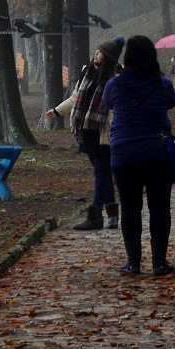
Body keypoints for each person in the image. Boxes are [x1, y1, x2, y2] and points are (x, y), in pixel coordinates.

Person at [103, 35, 175, 276]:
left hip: (124, 154)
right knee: (159, 208)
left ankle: (133, 262)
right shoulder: (162, 83)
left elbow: (108, 103)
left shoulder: (114, 85)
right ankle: (159, 263)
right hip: (157, 152)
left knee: (130, 208)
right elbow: (171, 102)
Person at [46, 36, 125, 231]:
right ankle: (113, 214)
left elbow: (117, 108)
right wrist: (57, 111)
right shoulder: (87, 72)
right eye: (96, 51)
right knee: (104, 174)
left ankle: (96, 215)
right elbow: (76, 97)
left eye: (99, 52)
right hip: (87, 132)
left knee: (101, 173)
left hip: (104, 133)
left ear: (107, 57)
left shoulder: (116, 78)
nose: (95, 54)